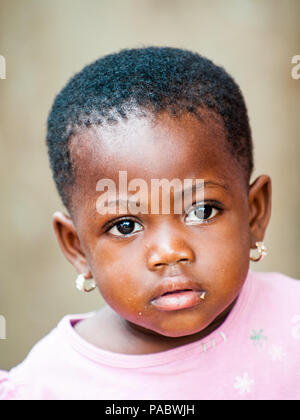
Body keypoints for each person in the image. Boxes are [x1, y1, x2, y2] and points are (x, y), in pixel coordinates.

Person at [1, 47, 299, 400]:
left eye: (202, 211)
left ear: (254, 212)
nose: (170, 252)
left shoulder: (292, 321)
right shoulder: (46, 387)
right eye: (125, 225)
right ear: (76, 246)